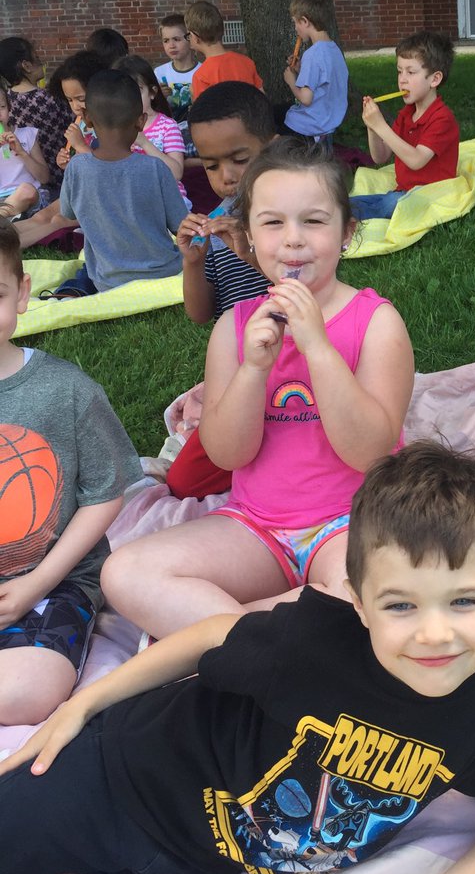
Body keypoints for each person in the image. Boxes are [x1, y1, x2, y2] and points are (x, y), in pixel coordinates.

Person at [0, 441, 475, 874]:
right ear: (359, 604)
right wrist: (84, 704)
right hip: (117, 775)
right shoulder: (312, 641)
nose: (435, 633)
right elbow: (213, 636)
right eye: (401, 605)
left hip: (182, 866)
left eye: (464, 601)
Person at [102, 137, 414, 637]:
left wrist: (317, 348)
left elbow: (370, 452)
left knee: (381, 598)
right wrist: (252, 370)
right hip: (255, 526)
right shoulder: (236, 326)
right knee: (125, 572)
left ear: (347, 233)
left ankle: (240, 637)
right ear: (247, 236)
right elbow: (226, 453)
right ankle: (269, 634)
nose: (292, 240)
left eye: (313, 221)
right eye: (272, 222)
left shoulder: (375, 322)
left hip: (354, 523)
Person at [0, 222, 142, 726]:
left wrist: (37, 583)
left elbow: (105, 494)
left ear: (21, 293)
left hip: (54, 581)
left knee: (26, 691)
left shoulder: (67, 391)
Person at [166, 82, 277, 500]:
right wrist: (192, 263)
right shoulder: (215, 225)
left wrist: (252, 254)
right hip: (242, 374)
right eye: (211, 166)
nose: (227, 177)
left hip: (299, 362)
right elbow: (200, 314)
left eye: (240, 159)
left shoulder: (294, 219)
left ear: (273, 147)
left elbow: (315, 295)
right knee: (182, 482)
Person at [45, 70, 185, 298]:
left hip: (107, 279)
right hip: (163, 272)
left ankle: (74, 290)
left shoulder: (77, 168)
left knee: (85, 270)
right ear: (140, 121)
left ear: (87, 119)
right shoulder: (155, 168)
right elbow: (180, 226)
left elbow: (68, 213)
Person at [358, 30, 459, 221]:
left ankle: (341, 219)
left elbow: (416, 160)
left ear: (434, 79)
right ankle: (340, 214)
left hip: (430, 196)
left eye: (411, 72)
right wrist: (371, 126)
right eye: (399, 71)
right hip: (402, 193)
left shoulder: (442, 118)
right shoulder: (406, 115)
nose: (402, 79)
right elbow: (380, 157)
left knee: (389, 204)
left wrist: (381, 126)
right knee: (349, 203)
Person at [13, 51, 106, 249]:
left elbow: (107, 169)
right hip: (77, 191)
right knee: (42, 216)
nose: (75, 106)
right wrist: (65, 161)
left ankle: (10, 247)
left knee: (57, 221)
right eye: (69, 100)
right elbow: (79, 162)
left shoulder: (111, 125)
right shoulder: (80, 122)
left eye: (80, 98)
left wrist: (80, 146)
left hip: (100, 197)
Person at [113, 54, 188, 203]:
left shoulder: (167, 126)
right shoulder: (114, 128)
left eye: (137, 91)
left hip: (166, 200)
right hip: (129, 202)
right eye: (123, 92)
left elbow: (176, 172)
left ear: (152, 92)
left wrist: (145, 143)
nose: (130, 98)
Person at [0, 36, 69, 191]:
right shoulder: (50, 99)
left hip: (24, 182)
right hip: (61, 177)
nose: (41, 61)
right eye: (37, 57)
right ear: (26, 66)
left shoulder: (6, 101)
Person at [280, 0, 348, 145]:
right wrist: (301, 70)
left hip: (310, 126)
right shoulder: (333, 48)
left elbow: (306, 98)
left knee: (274, 125)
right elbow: (324, 79)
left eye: (295, 23)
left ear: (305, 21)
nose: (296, 29)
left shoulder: (312, 54)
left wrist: (291, 81)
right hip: (328, 121)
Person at [186, 0, 264, 99]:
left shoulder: (201, 76)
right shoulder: (246, 62)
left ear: (195, 36)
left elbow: (204, 113)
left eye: (188, 35)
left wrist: (194, 97)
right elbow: (262, 98)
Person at [0, 85, 50, 221]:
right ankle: (8, 220)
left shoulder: (27, 134)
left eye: (2, 107)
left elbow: (44, 178)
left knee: (25, 190)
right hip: (3, 200)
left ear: (9, 108)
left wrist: (21, 152)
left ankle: (5, 220)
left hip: (30, 197)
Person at [153, 13, 201, 123]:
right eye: (166, 40)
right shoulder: (159, 73)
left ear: (190, 38)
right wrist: (159, 96)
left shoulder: (202, 71)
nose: (171, 45)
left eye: (176, 39)